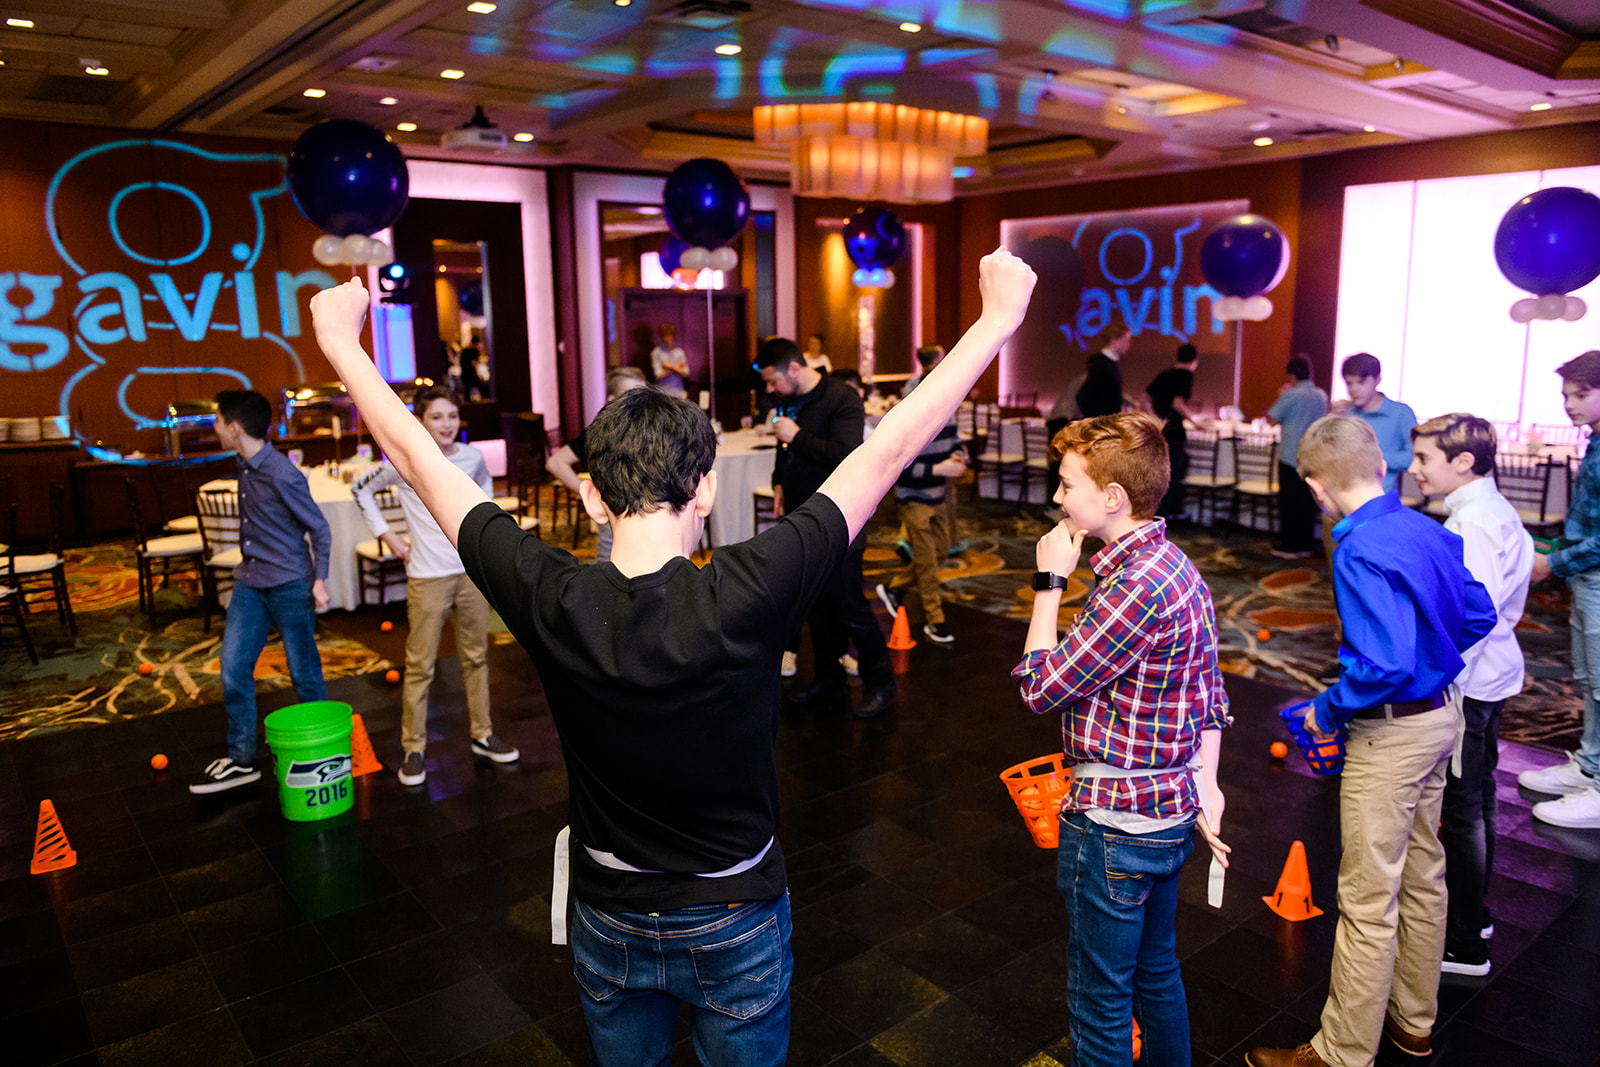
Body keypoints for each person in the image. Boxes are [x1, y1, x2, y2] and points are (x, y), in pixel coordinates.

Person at [309, 247, 1038, 1067]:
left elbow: (419, 460)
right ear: (704, 491)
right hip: (736, 913)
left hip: (610, 909)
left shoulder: (551, 594)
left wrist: (344, 345)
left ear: (589, 492)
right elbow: (888, 448)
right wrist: (997, 320)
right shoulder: (752, 584)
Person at [1247, 415, 1494, 1067]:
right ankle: (1414, 1023)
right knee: (1422, 875)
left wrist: (1329, 706)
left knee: (1366, 896)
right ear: (1381, 467)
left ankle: (1342, 1051)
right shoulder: (1429, 527)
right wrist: (1431, 659)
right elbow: (1479, 614)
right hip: (1444, 718)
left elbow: (1381, 665)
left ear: (1315, 488)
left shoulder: (1354, 547)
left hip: (1392, 734)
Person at [1013, 411, 1231, 1067]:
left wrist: (1049, 582)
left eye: (1067, 483)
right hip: (1166, 811)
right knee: (1154, 971)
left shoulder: (1134, 586)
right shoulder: (1174, 565)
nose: (1056, 496)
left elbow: (1039, 686)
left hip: (1115, 824)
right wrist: (1207, 785)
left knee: (1100, 1000)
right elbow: (1212, 692)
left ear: (1112, 497)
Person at [1408, 413, 1533, 975]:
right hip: (1493, 676)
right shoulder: (1489, 510)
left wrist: (1439, 683)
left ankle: (1463, 941)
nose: (1413, 471)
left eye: (1424, 460)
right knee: (1477, 799)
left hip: (1472, 683)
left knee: (1462, 810)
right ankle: (1473, 914)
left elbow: (1470, 617)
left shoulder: (1472, 524)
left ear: (1462, 463)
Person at [352, 385, 520, 787]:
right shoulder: (404, 461)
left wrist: (485, 546)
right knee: (420, 666)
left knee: (476, 657)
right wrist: (389, 538)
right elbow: (361, 489)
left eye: (451, 416)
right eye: (436, 417)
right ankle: (414, 748)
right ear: (421, 422)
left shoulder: (473, 457)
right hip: (427, 575)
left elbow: (486, 498)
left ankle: (482, 735)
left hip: (471, 573)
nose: (445, 424)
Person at [190, 390, 331, 794]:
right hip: (250, 582)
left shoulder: (283, 474)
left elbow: (319, 527)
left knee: (304, 671)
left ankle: (319, 748)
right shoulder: (245, 466)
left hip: (289, 583)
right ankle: (240, 759)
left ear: (234, 429)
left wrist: (319, 578)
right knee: (233, 667)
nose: (214, 427)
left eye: (217, 421)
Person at [757, 336, 897, 717]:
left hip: (843, 515)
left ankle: (881, 682)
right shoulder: (790, 399)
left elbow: (845, 455)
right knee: (816, 605)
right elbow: (782, 450)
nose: (770, 390)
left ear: (795, 369)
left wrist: (797, 437)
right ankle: (828, 681)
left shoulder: (840, 398)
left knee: (850, 604)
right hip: (804, 514)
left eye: (773, 381)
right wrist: (779, 483)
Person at [1523, 349, 1600, 828]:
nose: (1569, 404)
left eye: (1581, 394)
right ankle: (1590, 768)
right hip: (1586, 577)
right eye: (1566, 394)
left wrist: (1551, 561)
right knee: (1590, 679)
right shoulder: (1594, 441)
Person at [875, 399, 966, 645]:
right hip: (913, 498)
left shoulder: (948, 417)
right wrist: (938, 469)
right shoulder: (910, 425)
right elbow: (898, 468)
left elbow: (957, 444)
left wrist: (958, 457)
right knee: (926, 561)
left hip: (938, 497)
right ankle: (935, 620)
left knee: (943, 551)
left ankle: (895, 587)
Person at [546, 367, 651, 563]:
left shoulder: (652, 430)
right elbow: (556, 463)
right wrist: (590, 495)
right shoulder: (602, 433)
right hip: (614, 534)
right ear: (613, 400)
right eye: (630, 396)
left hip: (650, 531)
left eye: (643, 395)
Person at [1265, 356, 1329, 558]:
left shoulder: (1290, 395)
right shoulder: (1321, 395)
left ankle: (1290, 546)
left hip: (1291, 456)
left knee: (1290, 503)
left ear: (1291, 375)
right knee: (1306, 503)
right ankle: (1305, 545)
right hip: (1313, 456)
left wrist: (1281, 394)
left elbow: (1271, 419)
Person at [1329, 352, 1416, 494]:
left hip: (1381, 499)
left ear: (1377, 379)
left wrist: (1375, 458)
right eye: (1349, 383)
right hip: (1343, 496)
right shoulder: (1345, 412)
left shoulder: (1401, 413)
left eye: (1361, 382)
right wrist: (1331, 421)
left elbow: (1414, 456)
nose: (1353, 389)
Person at [1144, 343, 1198, 519]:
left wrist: (1154, 417)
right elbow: (1178, 404)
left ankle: (1153, 514)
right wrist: (1195, 422)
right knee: (1171, 475)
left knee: (1158, 475)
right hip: (1174, 431)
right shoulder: (1186, 375)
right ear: (1194, 360)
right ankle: (1164, 516)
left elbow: (1144, 399)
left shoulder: (1164, 374)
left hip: (1159, 430)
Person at [1075, 322, 1130, 419]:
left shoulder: (1111, 363)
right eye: (1125, 340)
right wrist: (1096, 421)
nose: (1128, 344)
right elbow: (1083, 397)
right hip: (1102, 424)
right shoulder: (1100, 364)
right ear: (1114, 340)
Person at [651, 323, 689, 398]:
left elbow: (686, 372)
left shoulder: (679, 352)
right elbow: (658, 374)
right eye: (664, 336)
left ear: (673, 336)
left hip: (679, 393)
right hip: (663, 394)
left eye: (669, 335)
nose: (667, 339)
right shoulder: (656, 352)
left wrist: (667, 366)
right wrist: (677, 366)